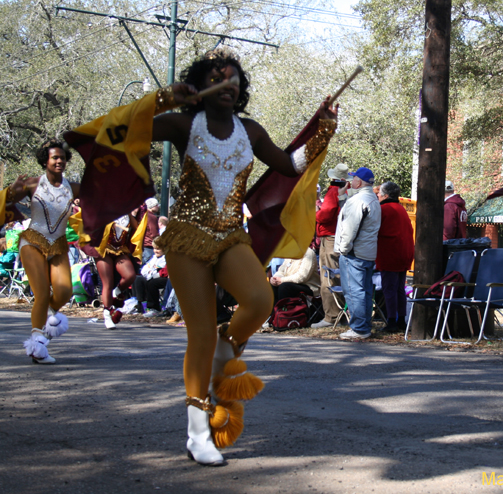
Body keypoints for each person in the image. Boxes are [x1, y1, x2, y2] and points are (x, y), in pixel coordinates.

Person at [70, 49, 337, 465]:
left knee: (261, 301)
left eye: (233, 79)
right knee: (200, 332)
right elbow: (123, 132)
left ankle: (225, 351)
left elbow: (287, 164)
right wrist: (162, 99)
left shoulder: (250, 131)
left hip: (231, 235)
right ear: (201, 87)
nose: (227, 84)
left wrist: (321, 133)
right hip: (186, 239)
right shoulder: (182, 123)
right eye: (217, 77)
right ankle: (198, 431)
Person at [5, 140, 78, 364]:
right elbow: (9, 201)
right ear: (45, 161)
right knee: (43, 294)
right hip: (32, 241)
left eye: (62, 157)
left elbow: (99, 196)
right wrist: (12, 191)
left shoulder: (74, 187)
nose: (59, 161)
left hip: (58, 244)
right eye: (54, 158)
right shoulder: (33, 184)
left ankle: (45, 323)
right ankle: (37, 344)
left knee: (65, 292)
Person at [334, 167, 381, 339]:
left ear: (358, 182)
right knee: (365, 291)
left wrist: (343, 249)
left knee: (354, 291)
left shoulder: (358, 200)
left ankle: (359, 328)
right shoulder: (373, 199)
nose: (351, 181)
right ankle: (364, 326)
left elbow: (350, 229)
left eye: (353, 178)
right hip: (367, 252)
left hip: (354, 253)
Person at [81, 212, 144, 329]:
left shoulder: (128, 215)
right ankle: (107, 314)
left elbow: (138, 228)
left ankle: (118, 291)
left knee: (130, 276)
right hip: (103, 250)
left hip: (120, 250)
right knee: (107, 283)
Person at [311, 163, 350, 328]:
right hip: (338, 237)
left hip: (330, 238)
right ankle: (338, 315)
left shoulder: (333, 191)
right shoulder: (345, 191)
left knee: (328, 276)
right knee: (337, 275)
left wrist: (315, 214)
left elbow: (326, 214)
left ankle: (330, 316)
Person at [375, 181, 414, 333]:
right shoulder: (401, 209)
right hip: (404, 254)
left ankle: (391, 321)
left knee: (389, 288)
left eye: (379, 193)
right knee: (399, 288)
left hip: (390, 254)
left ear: (385, 195)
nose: (377, 195)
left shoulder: (383, 209)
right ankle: (401, 320)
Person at [131, 241, 168, 317]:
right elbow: (144, 269)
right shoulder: (154, 257)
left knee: (152, 283)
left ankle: (154, 308)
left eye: (158, 249)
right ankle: (139, 305)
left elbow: (160, 271)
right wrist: (149, 272)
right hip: (150, 276)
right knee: (137, 279)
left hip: (163, 277)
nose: (156, 251)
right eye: (154, 248)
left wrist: (150, 273)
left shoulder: (165, 258)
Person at [136, 197, 161, 265]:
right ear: (151, 206)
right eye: (156, 205)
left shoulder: (143, 215)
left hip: (143, 245)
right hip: (149, 246)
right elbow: (154, 234)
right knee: (150, 267)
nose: (158, 206)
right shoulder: (151, 217)